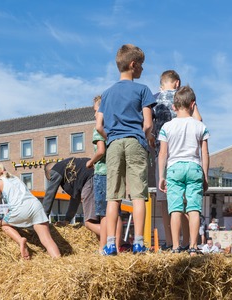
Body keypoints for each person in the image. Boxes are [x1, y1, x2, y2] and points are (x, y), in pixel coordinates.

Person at [96, 44, 155, 255]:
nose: (142, 69)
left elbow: (98, 126)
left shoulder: (107, 93)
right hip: (134, 141)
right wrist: (145, 137)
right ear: (133, 64)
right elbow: (148, 124)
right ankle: (138, 242)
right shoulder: (143, 90)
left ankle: (110, 243)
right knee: (139, 194)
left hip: (113, 144)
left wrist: (110, 137)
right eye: (141, 65)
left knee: (114, 196)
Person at [153, 70, 202, 250]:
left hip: (164, 156)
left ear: (162, 83)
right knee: (189, 202)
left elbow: (150, 128)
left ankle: (170, 242)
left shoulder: (154, 100)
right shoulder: (184, 98)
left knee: (168, 201)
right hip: (188, 159)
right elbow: (199, 120)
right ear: (177, 83)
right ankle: (188, 241)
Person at [158, 85, 210, 256]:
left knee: (175, 209)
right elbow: (205, 153)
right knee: (194, 209)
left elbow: (163, 153)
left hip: (174, 168)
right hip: (194, 167)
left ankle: (174, 247)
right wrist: (205, 176)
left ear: (174, 107)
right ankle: (193, 247)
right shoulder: (200, 126)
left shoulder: (167, 127)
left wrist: (161, 176)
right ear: (193, 104)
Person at [0, 162, 61, 259]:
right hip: (36, 206)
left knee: (1, 224)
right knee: (47, 239)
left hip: (20, 209)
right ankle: (58, 260)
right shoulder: (14, 178)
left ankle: (20, 240)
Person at [86, 95, 123, 253]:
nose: (94, 114)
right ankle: (117, 245)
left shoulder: (98, 128)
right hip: (116, 172)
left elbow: (100, 151)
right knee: (116, 211)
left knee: (103, 212)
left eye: (96, 111)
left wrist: (90, 162)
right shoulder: (115, 127)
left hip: (102, 173)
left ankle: (103, 247)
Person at [43, 157, 100, 236]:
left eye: (50, 179)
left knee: (90, 223)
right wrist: (67, 220)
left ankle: (114, 240)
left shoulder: (55, 170)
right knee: (101, 219)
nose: (52, 180)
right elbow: (75, 198)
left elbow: (49, 195)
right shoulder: (70, 170)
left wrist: (42, 220)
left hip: (90, 180)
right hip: (100, 176)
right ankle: (111, 243)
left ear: (49, 172)